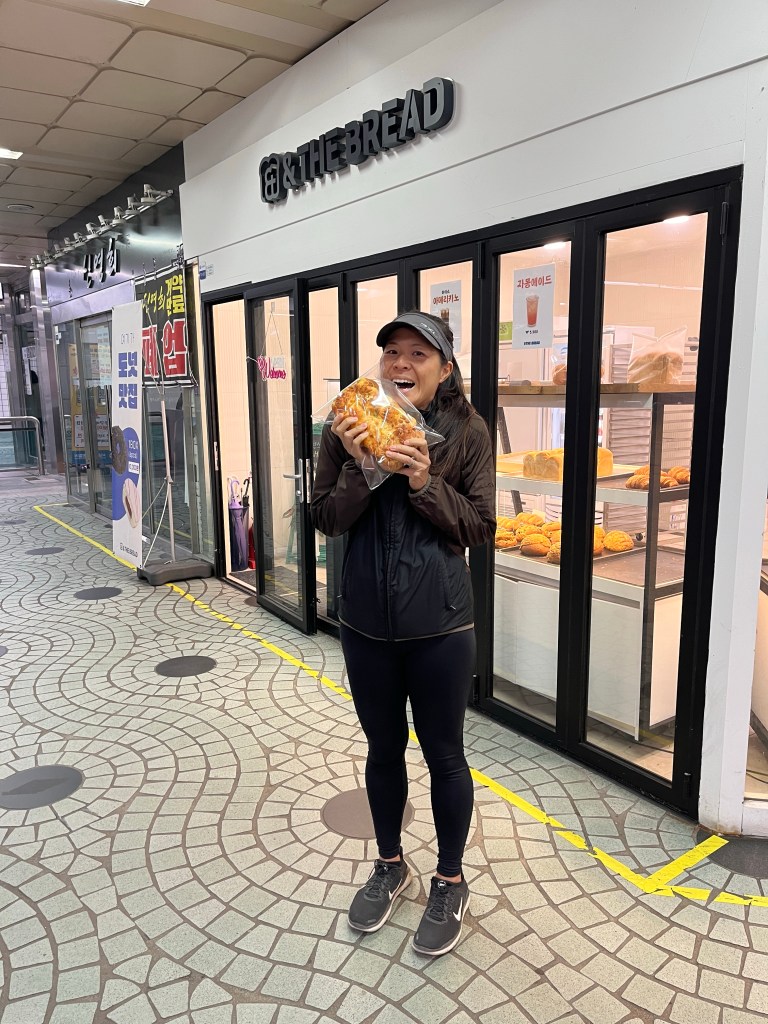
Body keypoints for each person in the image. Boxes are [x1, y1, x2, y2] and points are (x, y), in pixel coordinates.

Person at [311, 310, 496, 956]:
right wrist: (359, 467)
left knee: (445, 754)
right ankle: (390, 865)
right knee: (382, 749)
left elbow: (479, 526)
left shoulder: (467, 431)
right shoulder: (349, 422)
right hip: (365, 622)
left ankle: (450, 880)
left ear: (445, 367)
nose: (400, 364)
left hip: (441, 625)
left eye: (418, 353)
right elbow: (324, 517)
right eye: (392, 351)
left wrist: (422, 482)